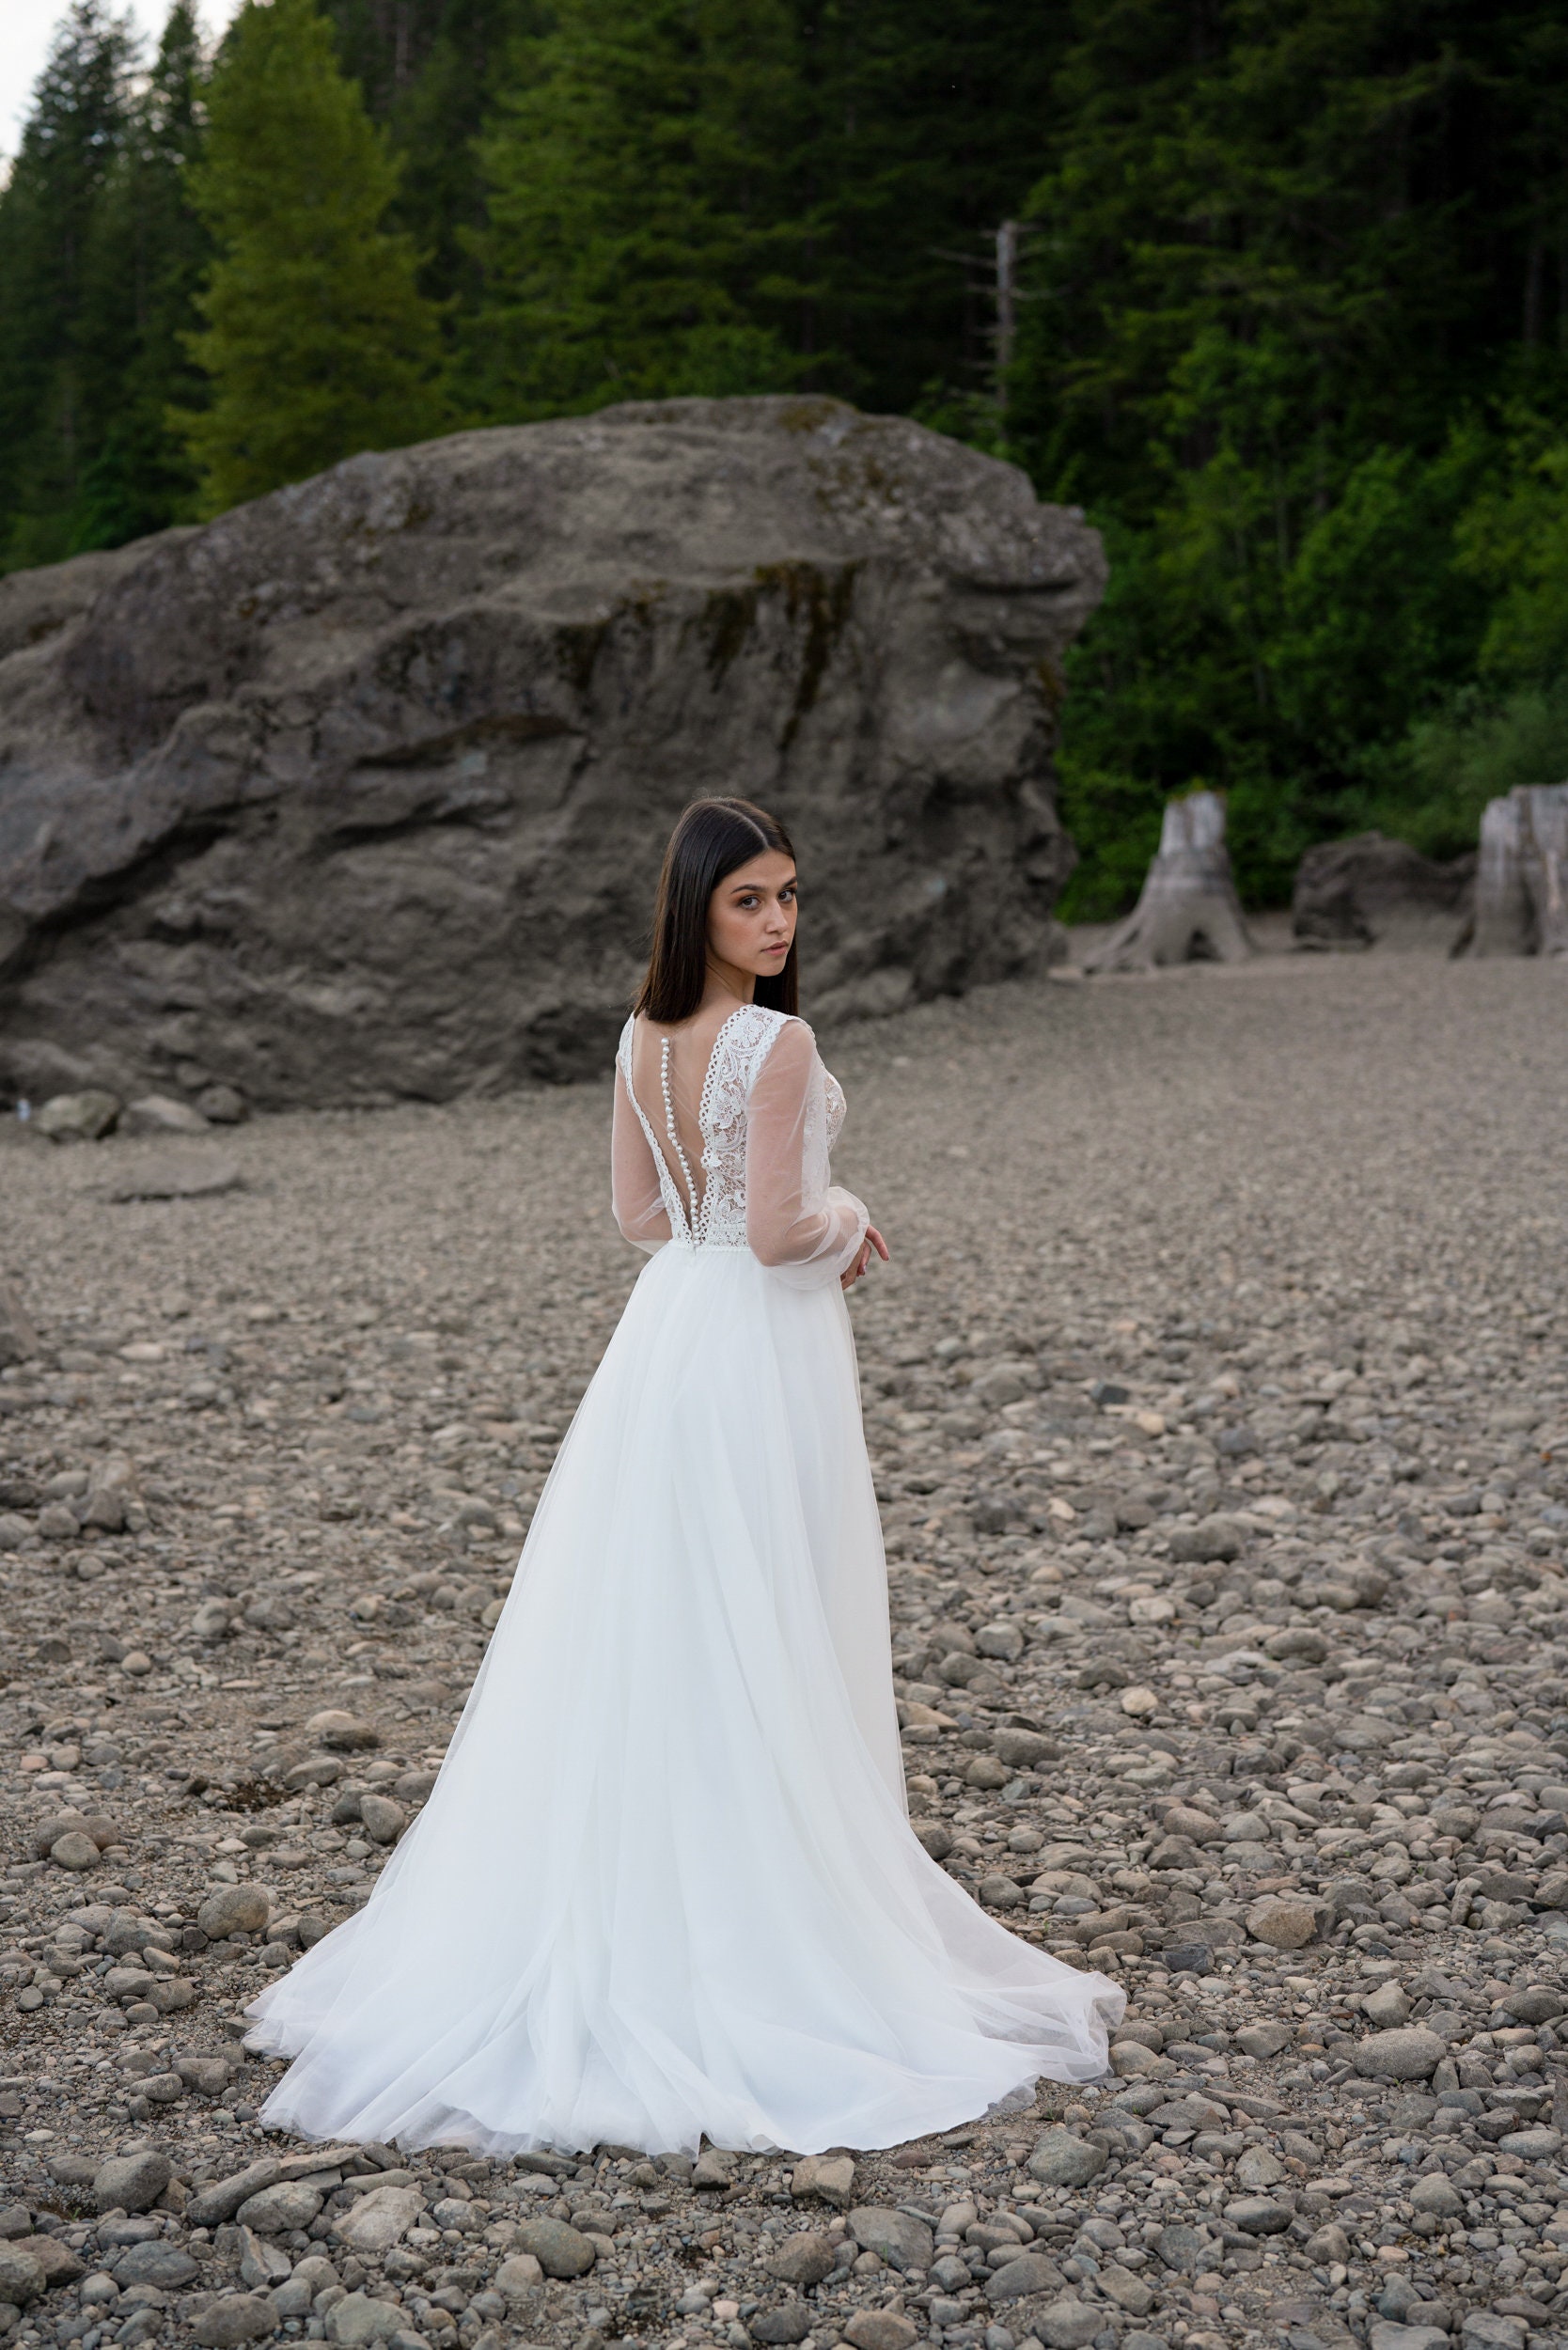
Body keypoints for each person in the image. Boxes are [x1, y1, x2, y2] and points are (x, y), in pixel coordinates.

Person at [246, 796, 1122, 2155]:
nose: (777, 924)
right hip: (761, 1350)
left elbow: (639, 1217)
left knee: (659, 1620)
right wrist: (853, 1214)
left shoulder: (643, 1033)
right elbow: (779, 1233)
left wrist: (741, 1224)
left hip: (668, 1339)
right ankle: (763, 1920)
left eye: (787, 897)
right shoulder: (776, 1043)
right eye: (750, 901)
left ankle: (657, 1890)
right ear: (696, 910)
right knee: (761, 1608)